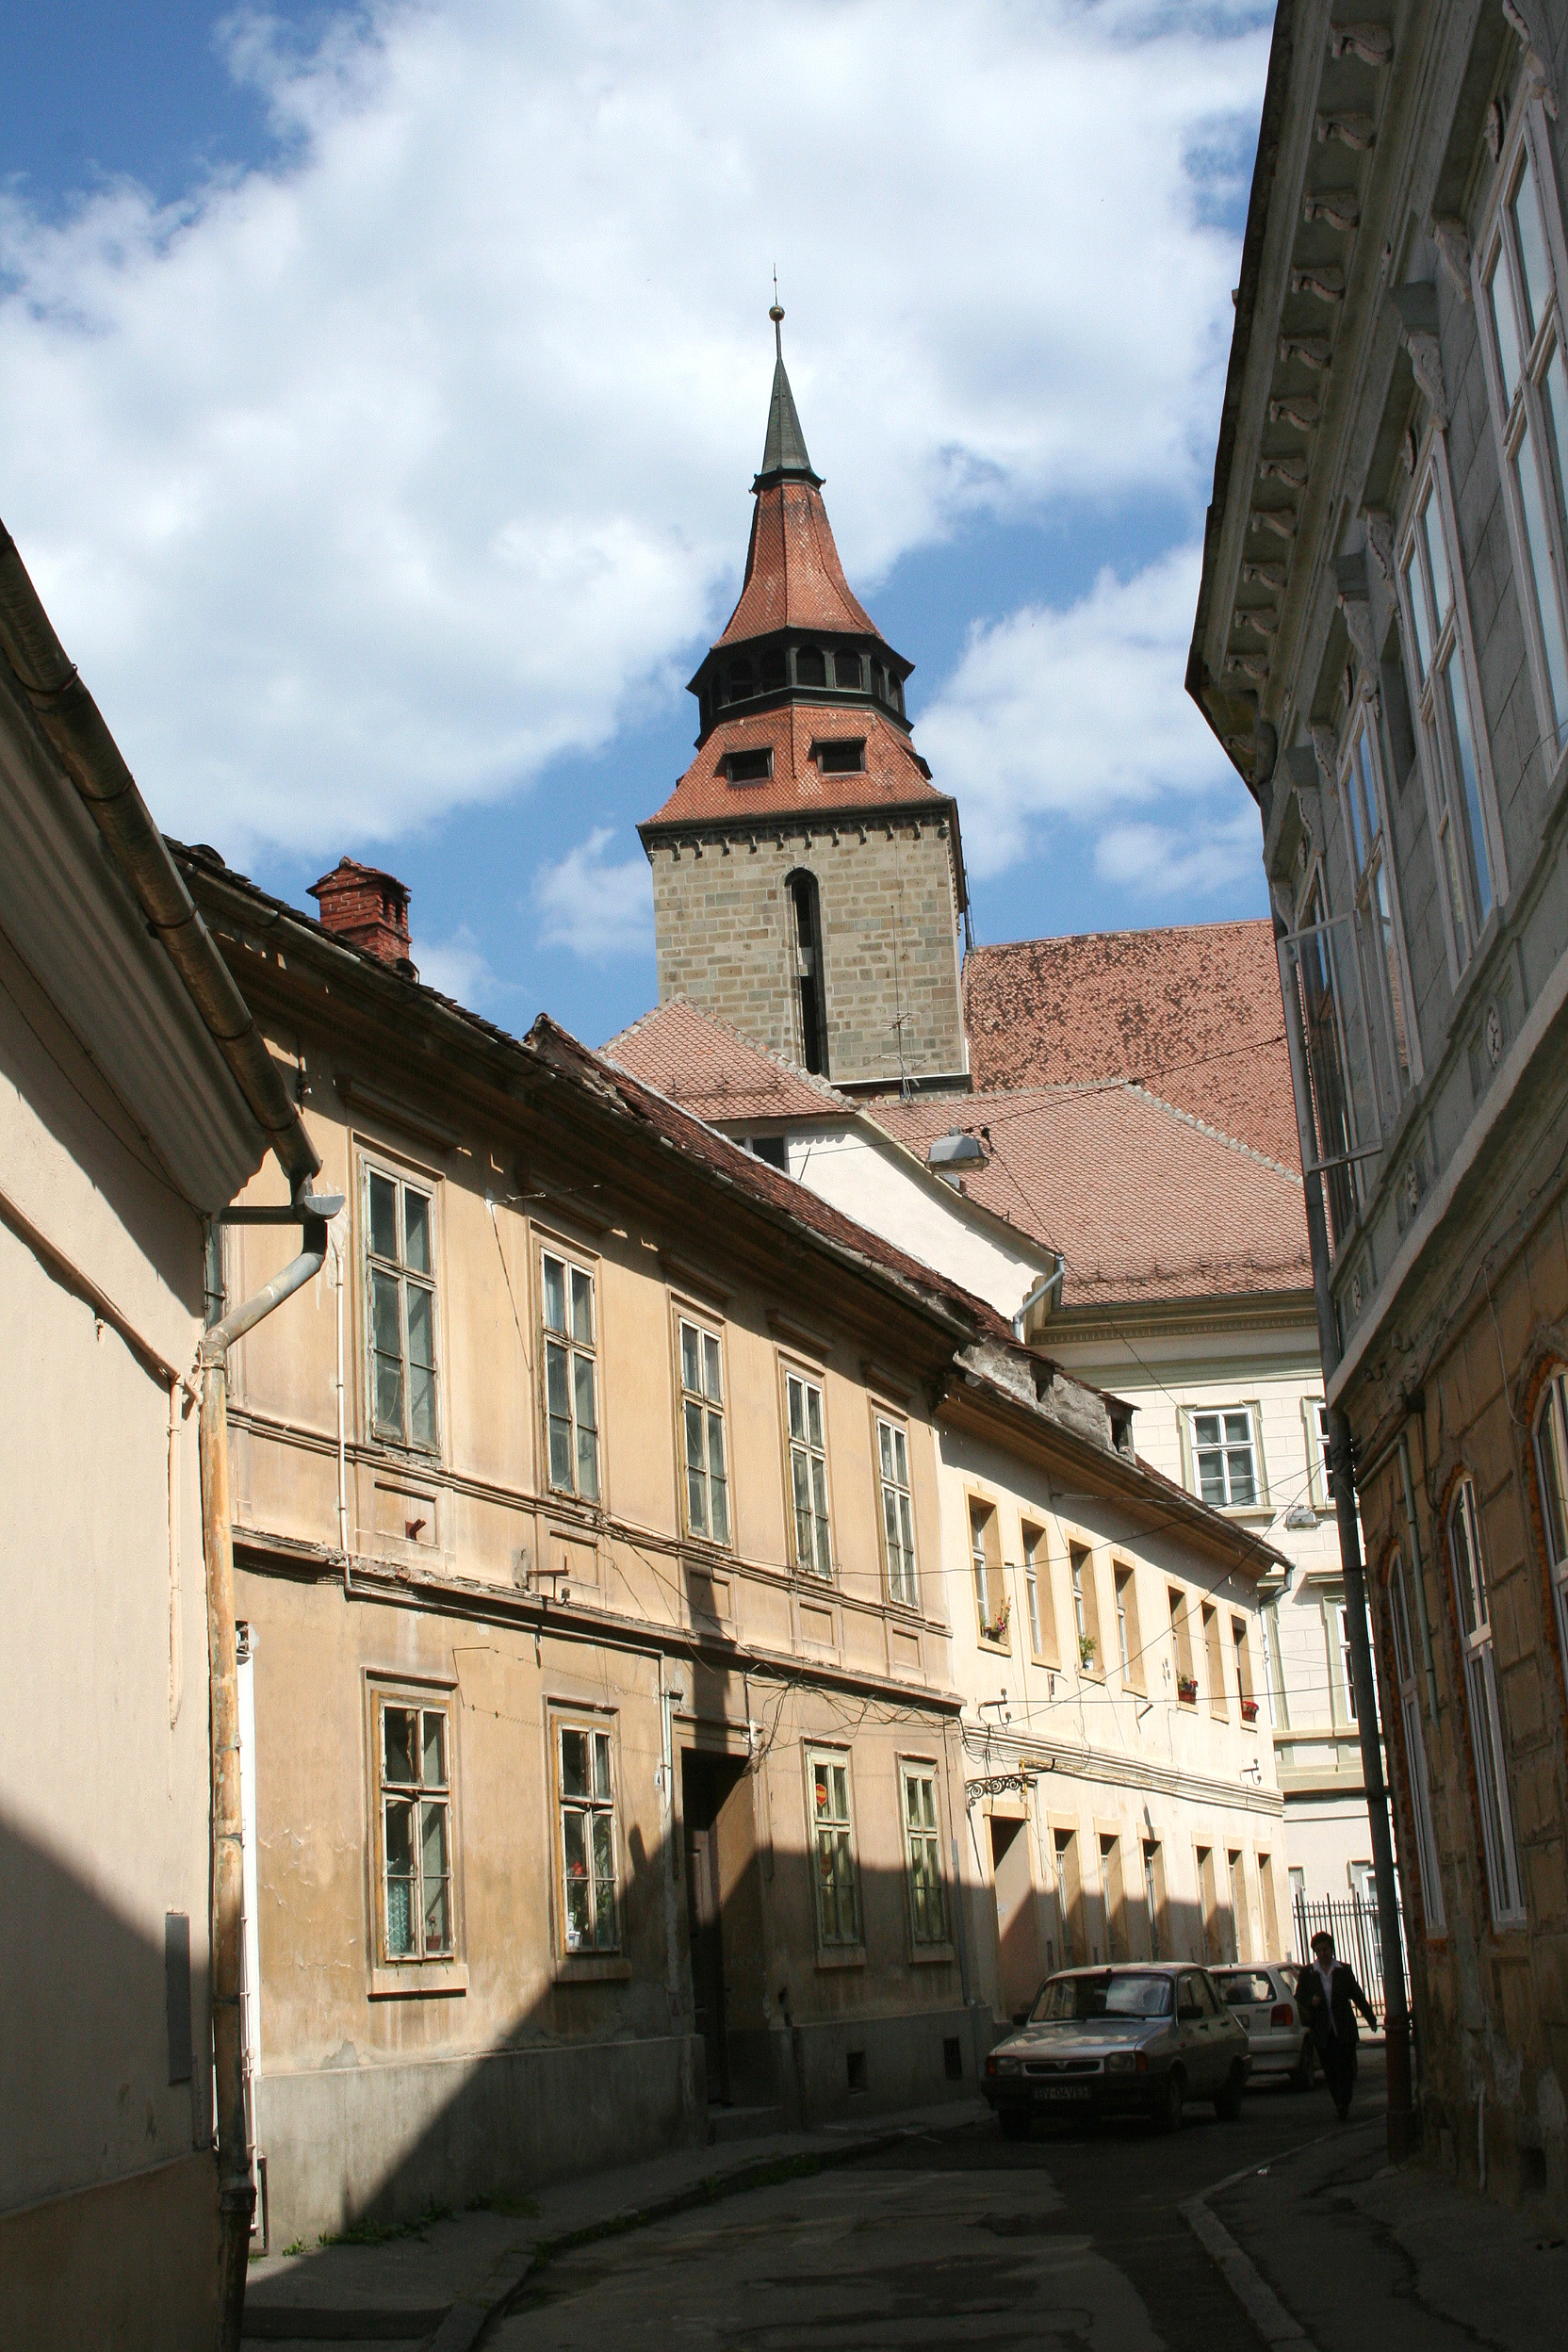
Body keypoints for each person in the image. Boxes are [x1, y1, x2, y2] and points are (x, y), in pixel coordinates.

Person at [1297, 1930, 1379, 2117]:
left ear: (1331, 1949)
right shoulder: (1308, 1973)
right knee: (1330, 2069)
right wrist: (1312, 2001)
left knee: (1345, 2068)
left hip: (1343, 2027)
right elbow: (1300, 1997)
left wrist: (1371, 2018)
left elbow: (1357, 1995)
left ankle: (1345, 2101)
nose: (1323, 1954)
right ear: (1315, 1953)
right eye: (1319, 1951)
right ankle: (1338, 2103)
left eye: (1326, 1949)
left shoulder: (1343, 1970)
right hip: (1323, 2030)